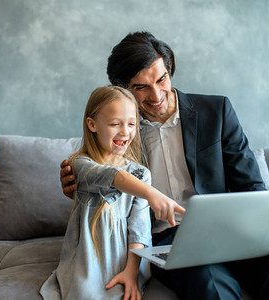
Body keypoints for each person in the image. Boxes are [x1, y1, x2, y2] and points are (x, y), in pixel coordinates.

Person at [60, 32, 269, 299]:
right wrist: (75, 184)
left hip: (230, 229)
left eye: (161, 79)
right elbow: (97, 173)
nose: (156, 95)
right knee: (211, 283)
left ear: (170, 71)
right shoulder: (122, 132)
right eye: (141, 87)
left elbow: (249, 183)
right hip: (167, 240)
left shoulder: (217, 111)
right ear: (123, 88)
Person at [41, 85, 184, 300]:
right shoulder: (80, 164)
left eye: (131, 124)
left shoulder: (141, 173)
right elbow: (115, 177)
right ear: (92, 124)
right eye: (115, 124)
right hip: (88, 260)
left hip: (127, 260)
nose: (125, 132)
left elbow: (139, 229)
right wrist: (154, 194)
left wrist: (131, 272)